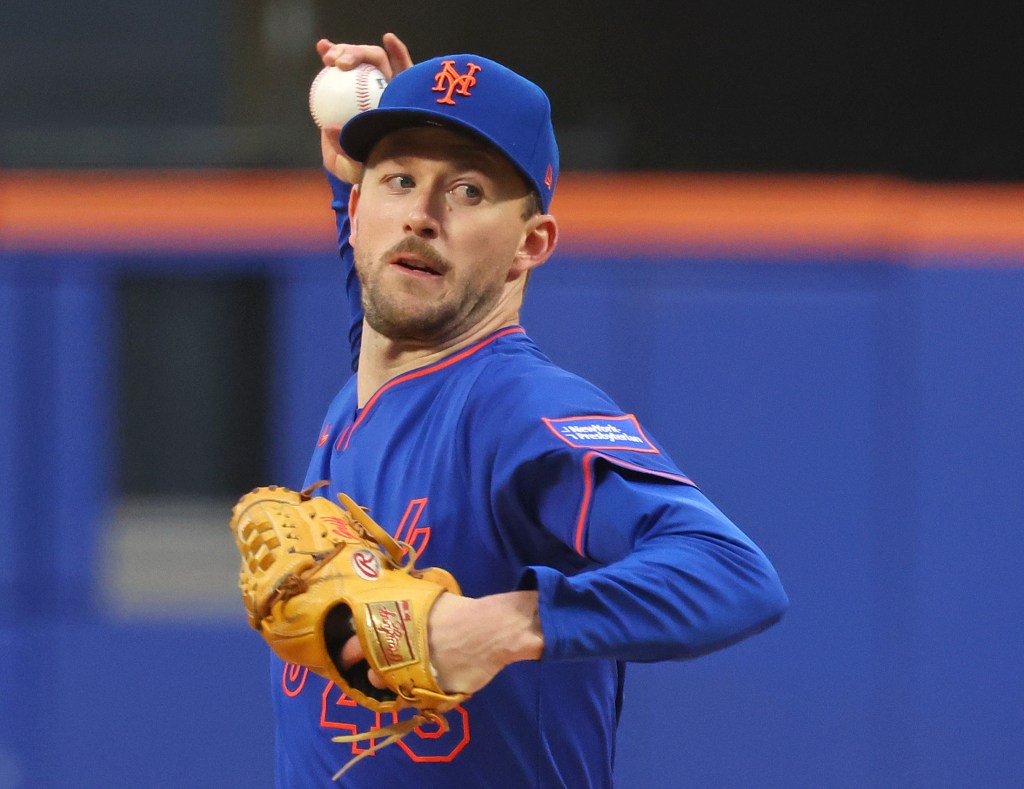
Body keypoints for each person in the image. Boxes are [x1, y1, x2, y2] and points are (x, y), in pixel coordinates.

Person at [271, 32, 788, 787]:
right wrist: (352, 171)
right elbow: (383, 296)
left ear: (529, 244)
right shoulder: (374, 377)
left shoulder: (514, 407)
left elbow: (737, 576)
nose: (420, 215)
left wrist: (503, 625)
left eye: (468, 191)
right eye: (399, 180)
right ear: (355, 209)